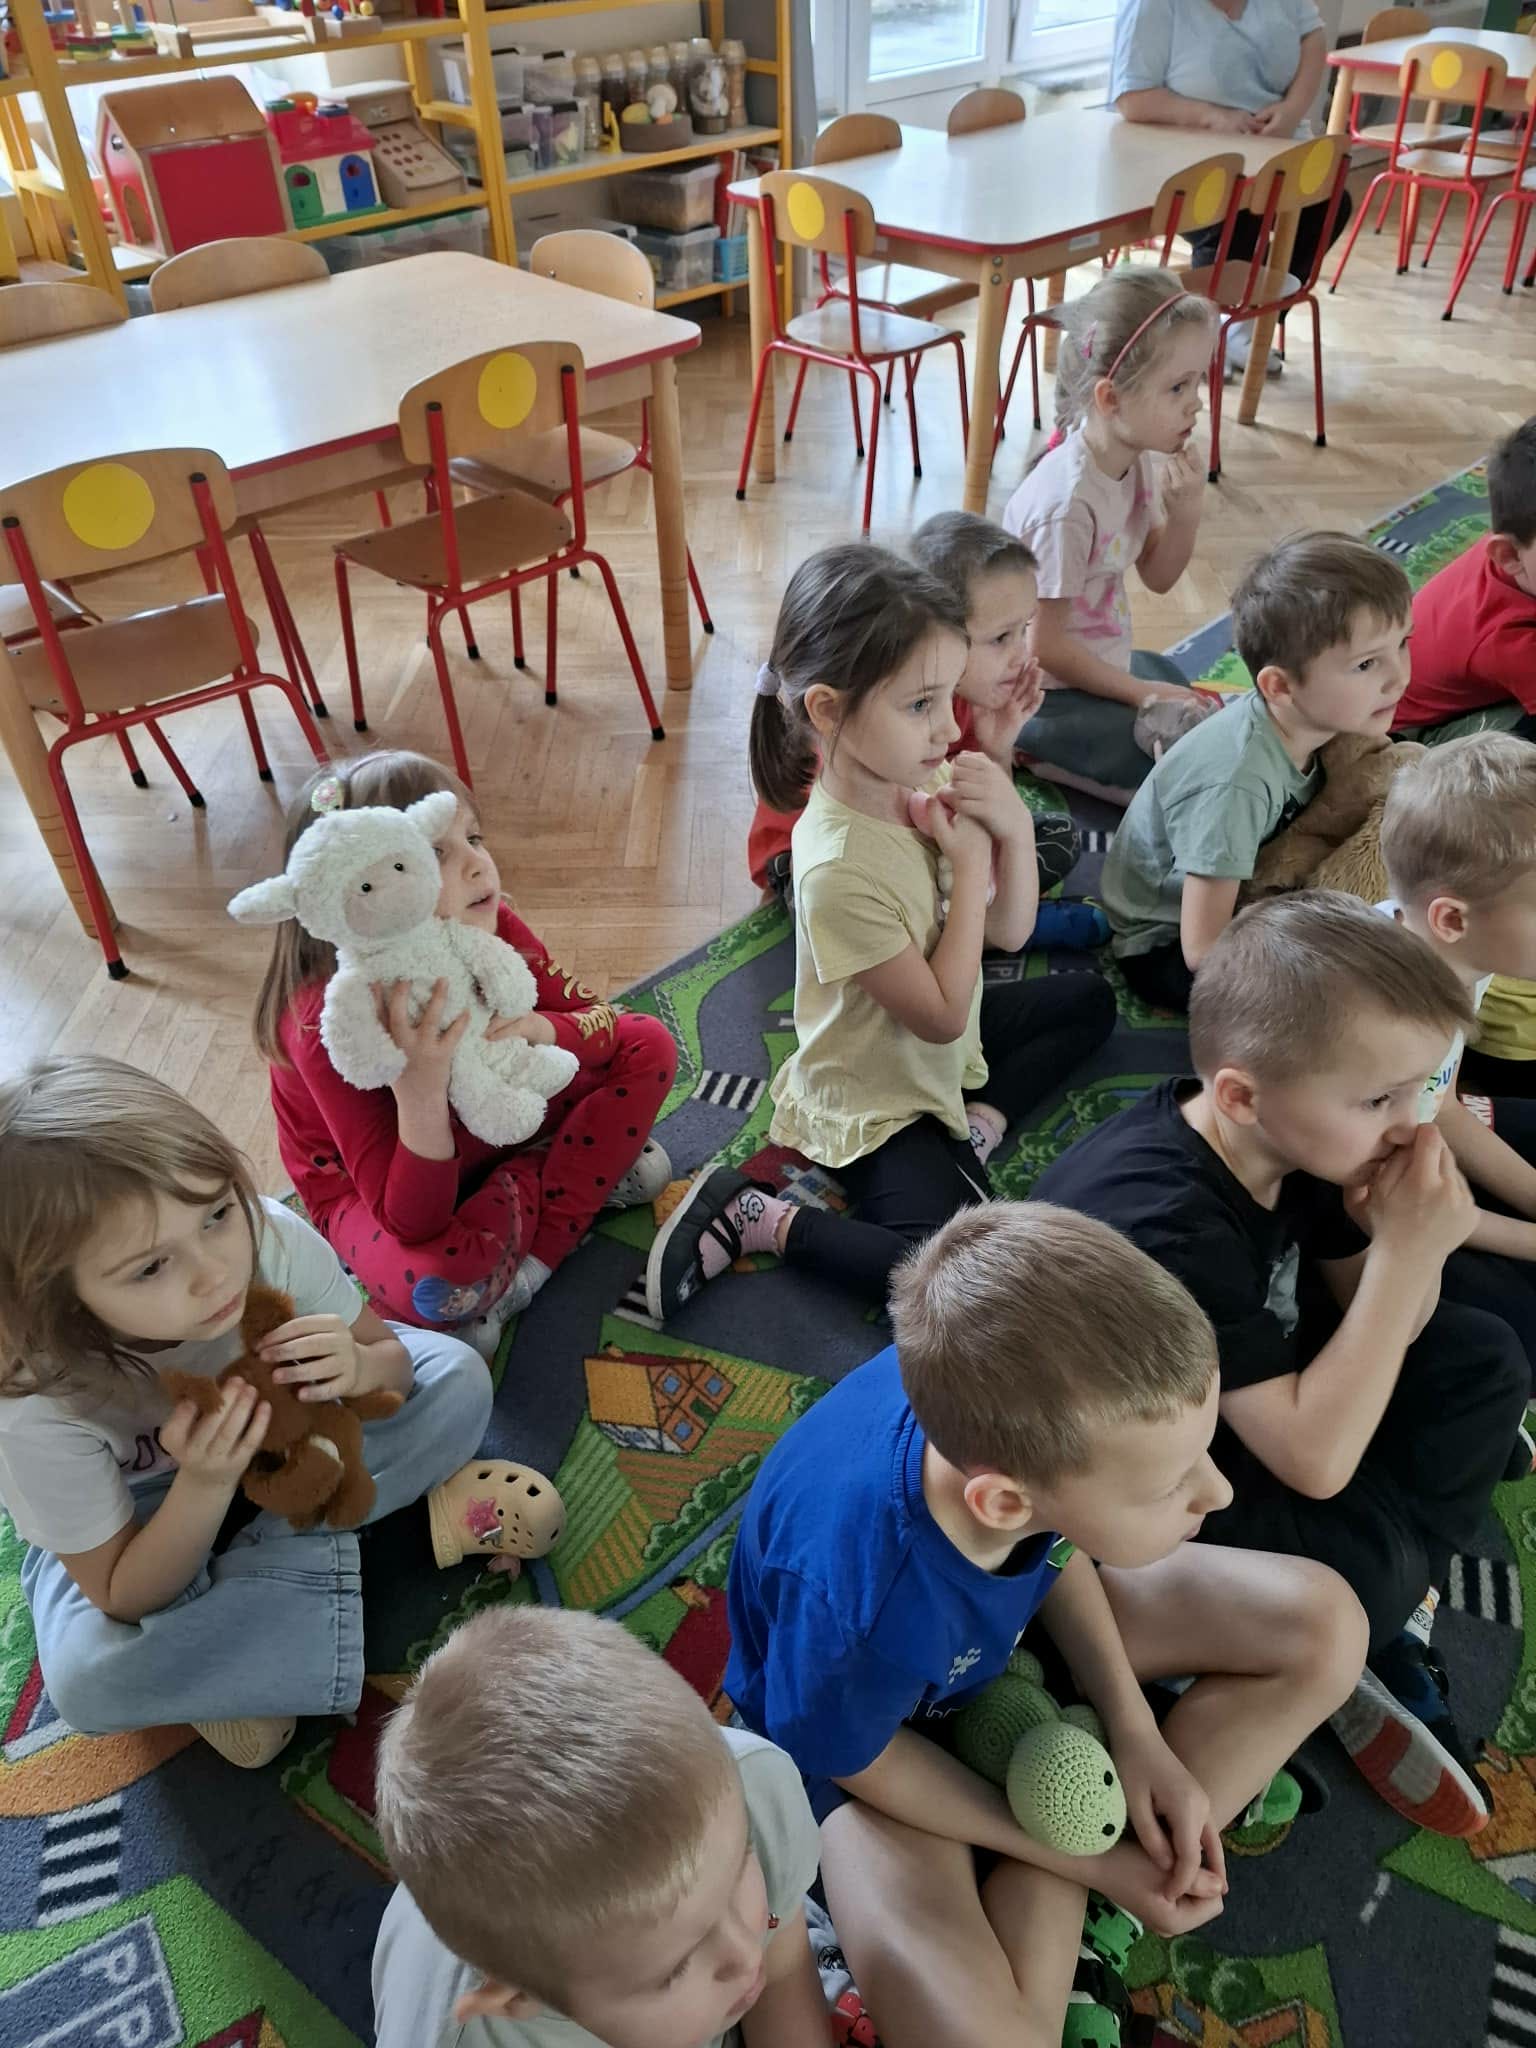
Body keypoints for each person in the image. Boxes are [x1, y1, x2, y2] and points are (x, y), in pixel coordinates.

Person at [725, 1201, 1366, 2048]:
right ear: (1001, 1501)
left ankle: (1088, 1830)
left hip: (992, 1650)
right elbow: (861, 1761)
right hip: (874, 1755)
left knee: (1329, 1627)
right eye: (1171, 1484)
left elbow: (1053, 1553)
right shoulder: (856, 1604)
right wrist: (1087, 1857)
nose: (1218, 1492)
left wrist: (1138, 1736)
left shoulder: (1016, 1434)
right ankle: (1088, 1869)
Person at [1034, 894, 1531, 1839]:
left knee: (1483, 1359)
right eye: (1379, 1099)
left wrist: (1399, 1244)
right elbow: (1315, 1462)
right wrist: (1408, 1251)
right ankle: (1306, 1641)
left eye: (1421, 1089)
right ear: (1240, 1095)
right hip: (1126, 1495)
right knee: (1373, 1565)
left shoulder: (1300, 1140)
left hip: (1246, 1406)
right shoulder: (1169, 1226)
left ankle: (1364, 1619)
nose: (1411, 1125)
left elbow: (1395, 1319)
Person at [645, 545, 1117, 1320]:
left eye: (947, 697)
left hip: (943, 1048)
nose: (949, 728)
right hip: (877, 1096)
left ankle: (977, 1125)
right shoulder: (833, 869)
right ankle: (761, 1218)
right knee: (958, 1277)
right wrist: (972, 861)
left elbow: (1008, 931)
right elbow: (939, 1015)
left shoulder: (915, 776)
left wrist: (1008, 819)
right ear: (828, 711)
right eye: (922, 704)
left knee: (1089, 1001)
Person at [0, 1055, 496, 1770]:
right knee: (87, 1679)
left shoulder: (269, 1237)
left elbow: (392, 1362)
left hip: (299, 1438)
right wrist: (203, 1484)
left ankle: (248, 1647)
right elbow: (118, 1591)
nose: (216, 1273)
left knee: (458, 1377)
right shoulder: (31, 1402)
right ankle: (367, 1542)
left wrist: (358, 1368)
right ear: (59, 1301)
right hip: (146, 1513)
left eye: (216, 1214)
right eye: (150, 1267)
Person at [253, 751, 678, 1357]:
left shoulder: (491, 923)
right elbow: (410, 1220)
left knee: (650, 1043)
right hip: (391, 1181)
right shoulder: (329, 1020)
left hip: (499, 1109)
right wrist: (420, 1093)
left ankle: (527, 1251)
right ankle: (564, 1176)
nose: (478, 864)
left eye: (473, 838)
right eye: (434, 853)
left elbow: (605, 1026)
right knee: (440, 1282)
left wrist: (540, 1027)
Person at [372, 1605, 831, 2048]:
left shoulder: (747, 1787)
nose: (745, 1955)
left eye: (739, 1866)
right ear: (517, 1999)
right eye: (675, 1969)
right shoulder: (456, 2037)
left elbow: (782, 1968)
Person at [1101, 531, 1413, 1013]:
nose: (1399, 676)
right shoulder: (1237, 784)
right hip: (1162, 942)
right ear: (1280, 687)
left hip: (1245, 887)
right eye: (1367, 663)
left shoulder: (1312, 722)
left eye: (1404, 643)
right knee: (1335, 1007)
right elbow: (1202, 950)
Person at [744, 513, 1089, 943]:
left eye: (1026, 630)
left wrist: (997, 750)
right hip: (813, 861)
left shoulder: (941, 706)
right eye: (1001, 637)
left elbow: (971, 806)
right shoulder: (851, 735)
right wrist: (973, 875)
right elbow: (860, 851)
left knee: (1055, 835)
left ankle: (975, 924)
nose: (1022, 655)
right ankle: (970, 931)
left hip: (902, 829)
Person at [1001, 267, 1218, 802]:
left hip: (1095, 664)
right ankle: (1032, 750)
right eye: (1178, 386)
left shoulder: (1132, 458)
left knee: (1180, 687)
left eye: (1198, 382)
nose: (1197, 402)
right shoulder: (1067, 508)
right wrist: (1140, 694)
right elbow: (1044, 647)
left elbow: (1158, 576)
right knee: (1176, 770)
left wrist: (1185, 514)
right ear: (1111, 399)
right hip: (1042, 695)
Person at [1378, 736, 1536, 1337]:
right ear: (1451, 918)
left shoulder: (1458, 953)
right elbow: (1398, 1202)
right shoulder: (1389, 1030)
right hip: (1370, 1203)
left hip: (1415, 1140)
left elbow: (1439, 1105)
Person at [1111, 0, 1352, 373]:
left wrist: (1292, 109)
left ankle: (1246, 325)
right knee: (1236, 219)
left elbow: (1313, 37)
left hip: (1272, 154)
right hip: (1185, 163)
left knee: (1329, 203)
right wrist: (1211, 117)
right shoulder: (1153, 6)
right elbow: (1132, 100)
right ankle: (1204, 336)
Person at [1393, 417, 1536, 745]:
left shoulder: (1520, 545)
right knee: (1515, 752)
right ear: (1508, 556)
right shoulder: (1508, 640)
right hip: (1402, 733)